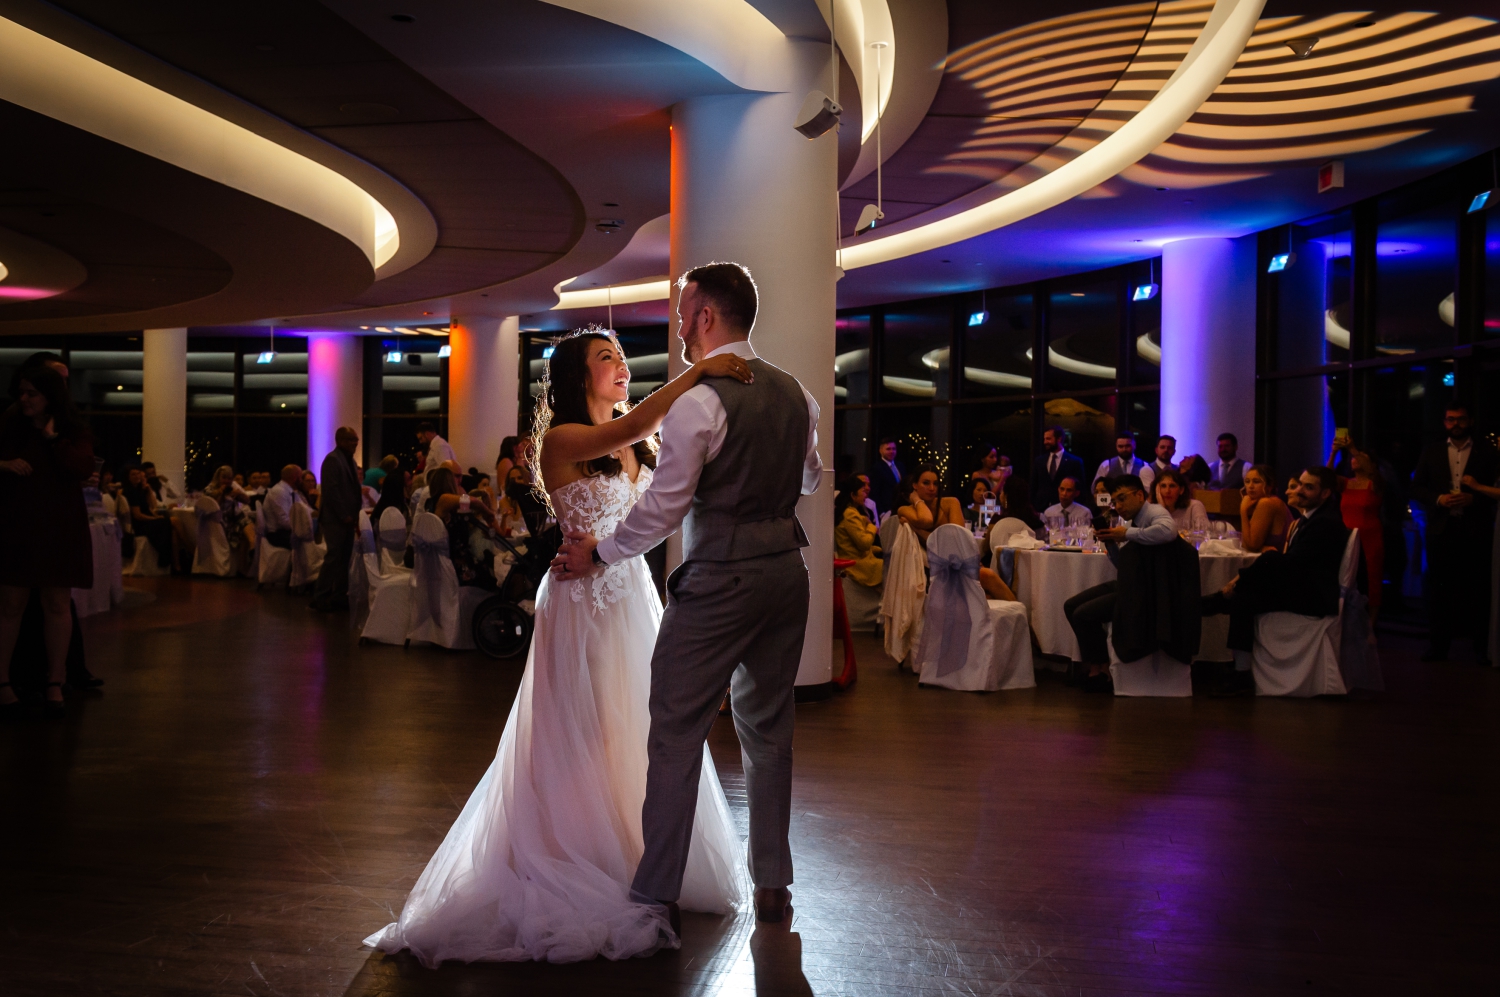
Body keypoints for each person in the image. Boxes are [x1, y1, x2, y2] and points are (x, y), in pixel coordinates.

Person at [367, 310, 760, 964]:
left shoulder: (639, 443)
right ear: (579, 378)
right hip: (582, 602)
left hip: (629, 594)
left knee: (641, 728)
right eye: (607, 356)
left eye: (619, 354)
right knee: (583, 729)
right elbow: (635, 423)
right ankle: (576, 852)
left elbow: (660, 511)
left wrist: (616, 547)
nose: (621, 363)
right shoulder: (569, 439)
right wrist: (700, 371)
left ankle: (639, 852)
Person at [548, 262, 826, 936]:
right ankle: (774, 883)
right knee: (769, 732)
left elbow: (663, 511)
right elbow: (811, 478)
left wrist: (604, 552)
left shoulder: (700, 404)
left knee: (674, 730)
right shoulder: (799, 395)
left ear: (704, 317)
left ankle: (654, 894)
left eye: (682, 312)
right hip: (787, 575)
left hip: (720, 579)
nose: (677, 325)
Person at [1202, 467, 1350, 695]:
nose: (1300, 490)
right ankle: (1238, 666)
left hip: (1315, 596)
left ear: (1325, 493)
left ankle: (1239, 668)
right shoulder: (1313, 517)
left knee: (1249, 589)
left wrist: (1244, 577)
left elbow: (1294, 564)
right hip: (1307, 587)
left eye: (1309, 487)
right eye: (1300, 484)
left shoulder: (1324, 523)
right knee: (1249, 591)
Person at [0, 364, 95, 720]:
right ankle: (3, 681)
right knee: (10, 603)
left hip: (58, 526)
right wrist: (4, 465)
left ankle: (56, 680)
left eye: (31, 393)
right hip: (16, 524)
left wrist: (55, 440)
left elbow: (83, 468)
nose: (23, 399)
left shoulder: (71, 429)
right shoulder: (9, 425)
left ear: (49, 396)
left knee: (57, 602)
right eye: (21, 392)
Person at [1062, 476, 1177, 692]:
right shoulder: (1131, 519)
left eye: (1123, 499)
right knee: (1070, 605)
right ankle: (1098, 668)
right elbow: (1122, 564)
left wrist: (1126, 534)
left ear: (1140, 495)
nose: (1119, 506)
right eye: (1115, 501)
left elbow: (1169, 531)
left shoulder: (1154, 512)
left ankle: (1101, 672)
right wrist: (1111, 542)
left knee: (1083, 614)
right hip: (1130, 582)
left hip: (1147, 590)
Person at [1412, 403, 1498, 663]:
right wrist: (1438, 499)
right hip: (1442, 529)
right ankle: (1438, 647)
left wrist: (1475, 499)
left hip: (1476, 530)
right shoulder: (1433, 451)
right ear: (1444, 422)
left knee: (1479, 591)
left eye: (1461, 419)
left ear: (1470, 421)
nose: (1456, 424)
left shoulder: (1487, 452)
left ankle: (1482, 649)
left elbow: (1495, 491)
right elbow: (1416, 488)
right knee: (1439, 591)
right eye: (1451, 419)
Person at [1328, 437, 1385, 620]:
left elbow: (1372, 473)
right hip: (1347, 536)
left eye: (1360, 457)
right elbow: (1326, 478)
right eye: (1352, 457)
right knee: (1344, 576)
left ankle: (1371, 626)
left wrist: (1353, 448)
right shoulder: (1346, 483)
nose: (1354, 459)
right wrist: (1334, 451)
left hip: (1370, 537)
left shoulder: (1376, 483)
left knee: (1372, 579)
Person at [312, 427, 362, 612]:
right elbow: (331, 492)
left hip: (347, 519)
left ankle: (339, 596)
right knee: (333, 557)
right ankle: (320, 597)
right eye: (351, 440)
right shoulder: (333, 460)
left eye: (356, 440)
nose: (355, 443)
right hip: (336, 519)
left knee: (343, 559)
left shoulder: (348, 460)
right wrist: (345, 515)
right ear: (340, 440)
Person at [122, 465, 177, 569]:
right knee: (166, 523)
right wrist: (155, 518)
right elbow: (138, 516)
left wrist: (149, 490)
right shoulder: (130, 492)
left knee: (169, 524)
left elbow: (153, 506)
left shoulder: (139, 490)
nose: (137, 476)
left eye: (138, 473)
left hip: (145, 521)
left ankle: (170, 560)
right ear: (128, 477)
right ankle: (166, 558)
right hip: (140, 525)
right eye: (133, 474)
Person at [897, 466, 965, 546]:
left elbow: (958, 540)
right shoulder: (904, 510)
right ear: (915, 485)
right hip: (919, 558)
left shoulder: (951, 503)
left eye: (935, 484)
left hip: (952, 557)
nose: (932, 488)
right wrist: (917, 500)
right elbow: (927, 521)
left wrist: (916, 529)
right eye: (926, 483)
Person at [835, 475, 882, 587]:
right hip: (855, 565)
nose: (865, 494)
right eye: (862, 491)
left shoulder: (850, 512)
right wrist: (872, 527)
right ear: (853, 495)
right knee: (894, 567)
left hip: (859, 560)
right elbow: (864, 544)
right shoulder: (850, 514)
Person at [1031, 426, 1085, 513]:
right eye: (1044, 439)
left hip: (1065, 510)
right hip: (1041, 509)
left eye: (1048, 439)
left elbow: (1080, 488)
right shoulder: (1039, 461)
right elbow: (1034, 486)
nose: (1045, 442)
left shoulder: (1074, 462)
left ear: (1059, 439)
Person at [1239, 465, 1290, 553]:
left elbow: (1251, 546)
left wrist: (1243, 511)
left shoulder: (1267, 502)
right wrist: (1262, 548)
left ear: (1269, 486)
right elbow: (1244, 544)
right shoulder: (1271, 501)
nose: (1250, 486)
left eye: (1256, 482)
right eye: (1247, 481)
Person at [1152, 468, 1209, 533]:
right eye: (1163, 486)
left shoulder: (1194, 506)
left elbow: (1202, 533)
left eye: (1172, 486)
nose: (1167, 491)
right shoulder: (1152, 511)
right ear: (1157, 490)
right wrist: (1162, 509)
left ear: (1181, 490)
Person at [262, 465, 304, 548]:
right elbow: (283, 522)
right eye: (301, 477)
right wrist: (304, 525)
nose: (302, 480)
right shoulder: (279, 492)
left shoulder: (291, 491)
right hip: (276, 534)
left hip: (285, 532)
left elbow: (305, 509)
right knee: (307, 539)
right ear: (294, 477)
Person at [868, 437, 903, 518]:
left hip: (900, 509)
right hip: (886, 511)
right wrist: (881, 513)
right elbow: (874, 493)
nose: (891, 451)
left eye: (893, 449)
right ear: (880, 450)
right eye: (888, 449)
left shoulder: (900, 466)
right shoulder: (876, 468)